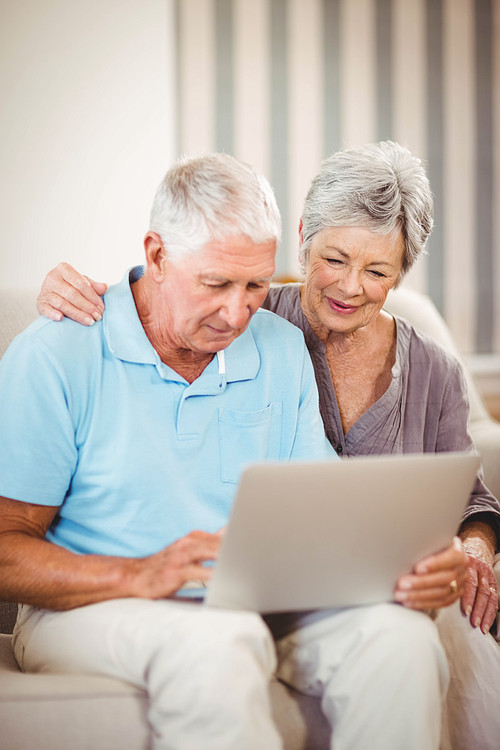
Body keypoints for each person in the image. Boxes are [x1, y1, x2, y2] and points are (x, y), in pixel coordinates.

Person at [39, 142, 500, 750]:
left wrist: (468, 549)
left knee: (430, 634)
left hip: (357, 589)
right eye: (335, 258)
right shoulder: (251, 321)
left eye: (379, 272)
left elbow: (466, 496)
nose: (352, 287)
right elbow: (166, 290)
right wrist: (73, 290)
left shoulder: (426, 369)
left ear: (402, 274)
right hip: (248, 592)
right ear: (305, 238)